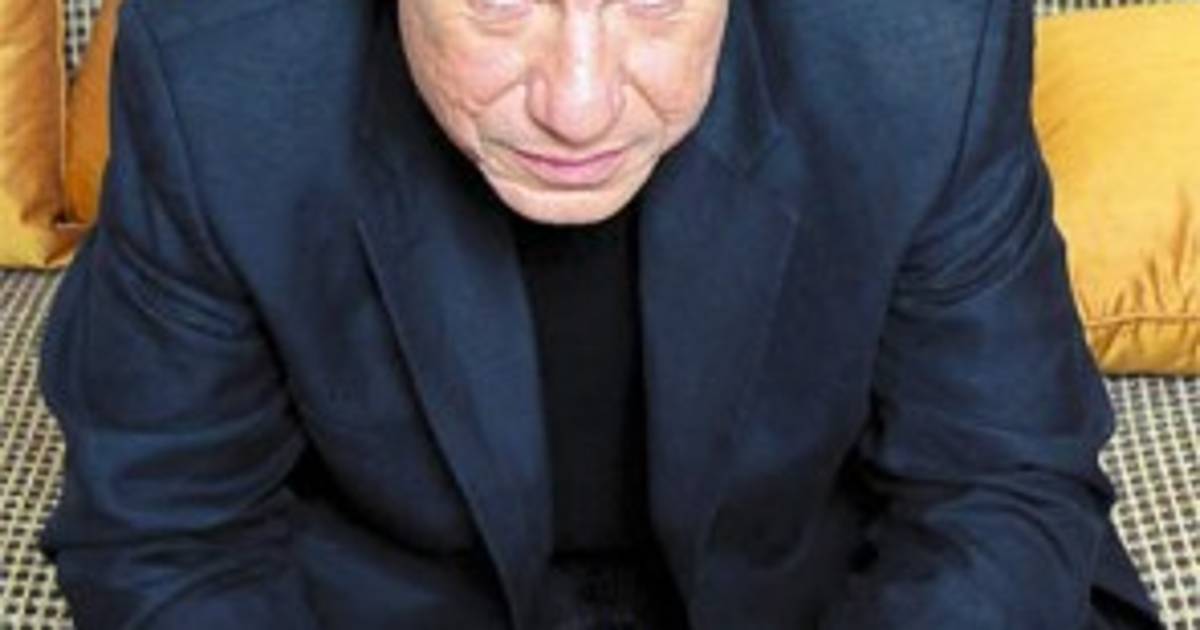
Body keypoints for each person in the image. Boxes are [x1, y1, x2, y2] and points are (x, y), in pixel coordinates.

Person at [38, 0, 1163, 628]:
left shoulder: (923, 42)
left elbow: (998, 484)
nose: (576, 108)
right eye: (499, 4)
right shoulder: (217, 67)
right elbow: (168, 533)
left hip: (829, 588)